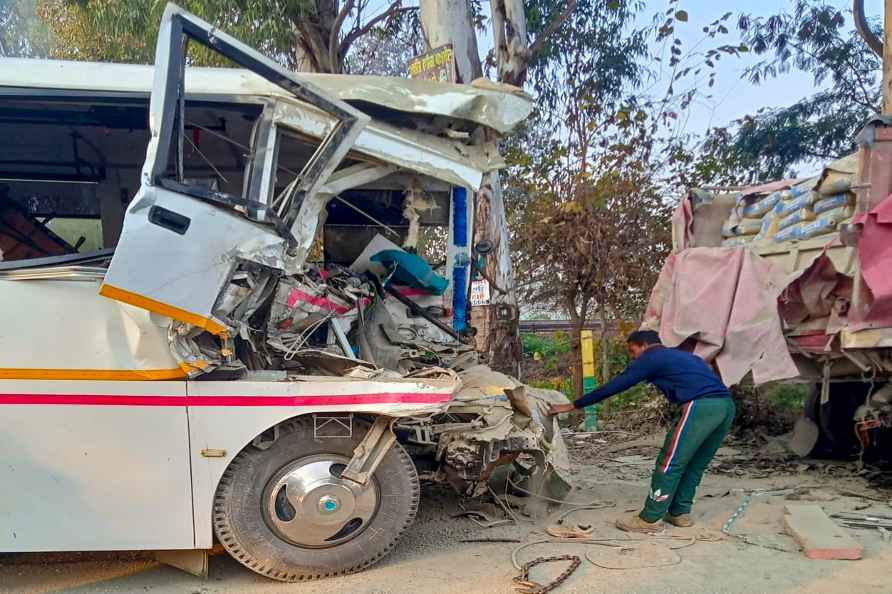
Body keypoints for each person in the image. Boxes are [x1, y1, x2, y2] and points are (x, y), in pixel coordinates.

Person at [549, 330, 735, 533]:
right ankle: (679, 513)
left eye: (632, 351)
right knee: (695, 464)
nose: (633, 357)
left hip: (700, 407)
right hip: (726, 406)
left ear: (643, 345)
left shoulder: (651, 356)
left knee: (670, 462)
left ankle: (650, 518)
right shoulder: (685, 356)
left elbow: (617, 385)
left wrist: (573, 405)